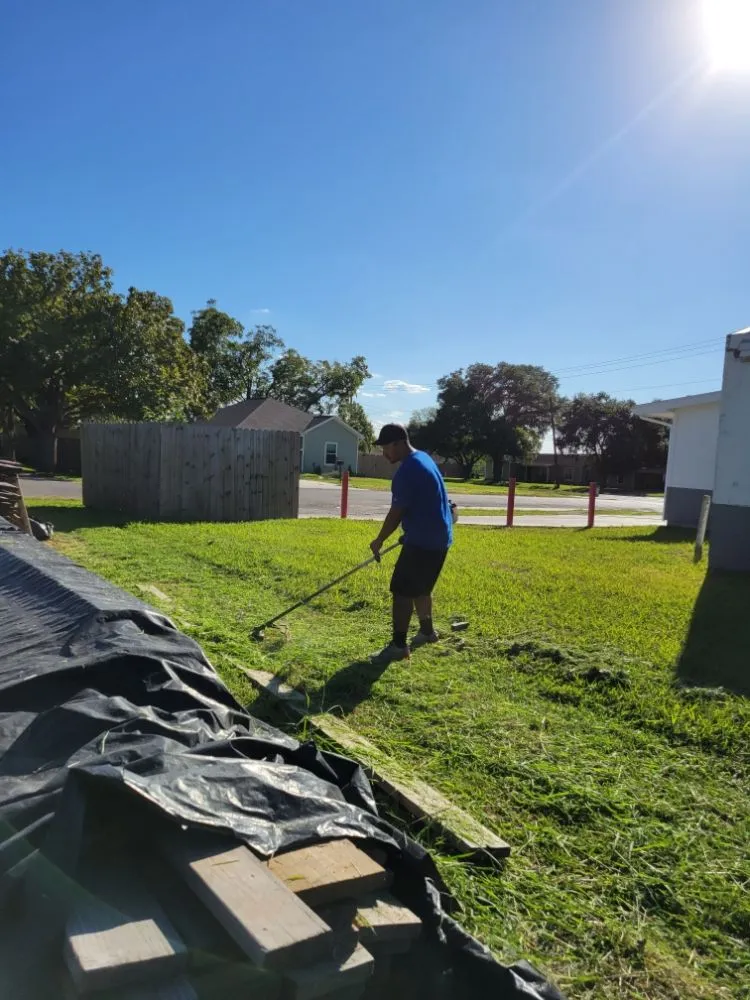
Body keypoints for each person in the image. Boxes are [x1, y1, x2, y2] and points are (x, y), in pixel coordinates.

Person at [369, 423, 454, 664]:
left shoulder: (406, 471)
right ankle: (427, 632)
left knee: (402, 591)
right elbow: (429, 500)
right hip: (439, 538)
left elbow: (396, 512)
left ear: (398, 443)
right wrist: (414, 529)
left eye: (385, 448)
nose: (384, 454)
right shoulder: (424, 458)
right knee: (422, 587)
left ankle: (398, 646)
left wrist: (379, 540)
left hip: (423, 542)